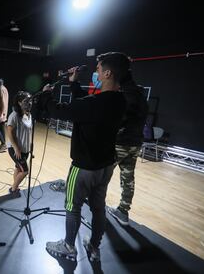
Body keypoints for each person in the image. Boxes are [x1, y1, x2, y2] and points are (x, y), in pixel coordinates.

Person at [41, 52, 128, 262]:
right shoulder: (120, 100)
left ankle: (69, 246)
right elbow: (87, 104)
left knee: (72, 206)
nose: (96, 72)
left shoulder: (93, 103)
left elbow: (59, 111)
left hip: (83, 169)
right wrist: (74, 84)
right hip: (105, 166)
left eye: (98, 69)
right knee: (99, 208)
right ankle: (94, 247)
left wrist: (46, 95)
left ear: (107, 73)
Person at [107, 69, 149, 226]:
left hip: (121, 143)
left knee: (104, 173)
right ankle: (123, 212)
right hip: (135, 144)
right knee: (128, 178)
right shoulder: (142, 99)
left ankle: (95, 205)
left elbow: (118, 120)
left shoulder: (126, 98)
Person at [6, 91, 33, 197]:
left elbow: (27, 131)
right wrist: (16, 148)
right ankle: (13, 189)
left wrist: (30, 144)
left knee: (18, 168)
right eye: (26, 101)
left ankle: (15, 186)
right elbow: (9, 132)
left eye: (30, 100)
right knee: (25, 171)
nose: (29, 103)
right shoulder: (14, 116)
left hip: (25, 148)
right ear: (19, 103)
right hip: (16, 149)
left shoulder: (29, 115)